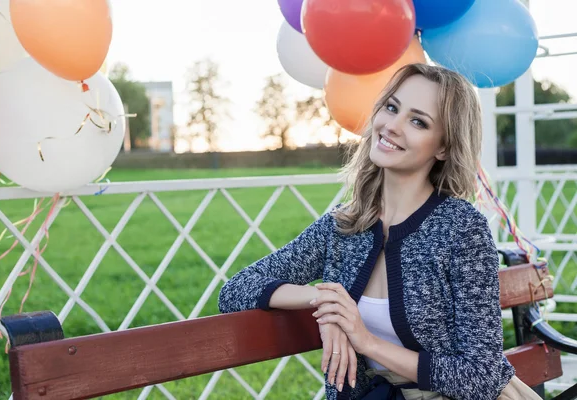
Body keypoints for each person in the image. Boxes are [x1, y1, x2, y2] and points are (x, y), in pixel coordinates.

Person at [218, 64, 539, 400]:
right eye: (391, 107)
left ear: (443, 147)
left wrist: (366, 340)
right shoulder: (341, 227)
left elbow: (481, 375)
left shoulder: (461, 229)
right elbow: (236, 290)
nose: (392, 126)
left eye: (418, 121)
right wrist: (326, 302)